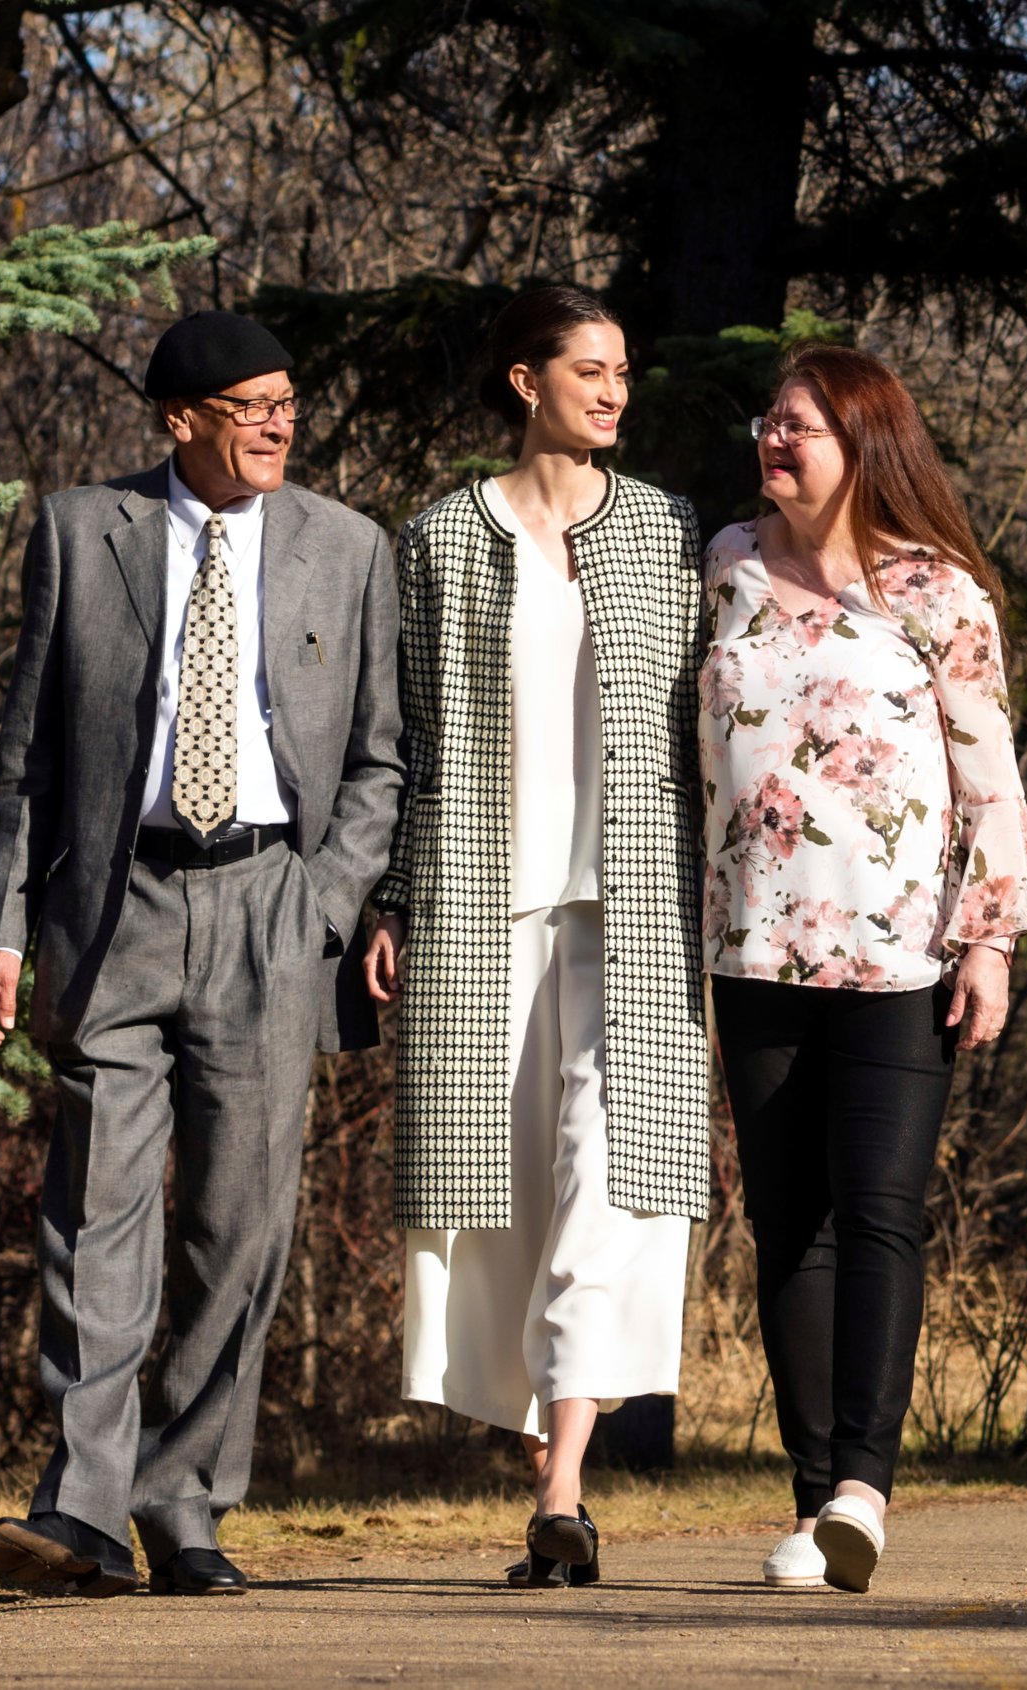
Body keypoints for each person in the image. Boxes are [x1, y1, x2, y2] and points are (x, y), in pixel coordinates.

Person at [0, 310, 405, 1598]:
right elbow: (28, 756)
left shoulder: (346, 547)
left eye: (286, 402)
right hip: (115, 910)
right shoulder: (80, 530)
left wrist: (322, 905)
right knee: (94, 1215)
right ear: (180, 420)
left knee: (236, 1227)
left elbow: (381, 755)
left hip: (270, 901)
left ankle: (186, 1494)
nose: (277, 423)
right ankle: (81, 1506)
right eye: (250, 405)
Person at [364, 285, 709, 1589]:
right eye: (591, 369)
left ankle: (564, 1487)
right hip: (476, 905)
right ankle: (541, 1440)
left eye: (625, 370)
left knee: (609, 1188)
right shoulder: (443, 538)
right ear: (526, 381)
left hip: (636, 909)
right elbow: (399, 737)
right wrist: (390, 898)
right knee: (491, 1199)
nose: (615, 391)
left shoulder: (670, 530)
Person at [700, 345, 1027, 1593]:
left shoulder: (937, 592)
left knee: (881, 1210)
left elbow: (989, 775)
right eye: (768, 425)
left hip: (899, 954)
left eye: (798, 427)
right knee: (786, 1223)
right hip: (752, 947)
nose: (774, 443)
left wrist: (991, 940)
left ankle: (864, 1484)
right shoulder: (730, 566)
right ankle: (814, 1507)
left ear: (861, 441)